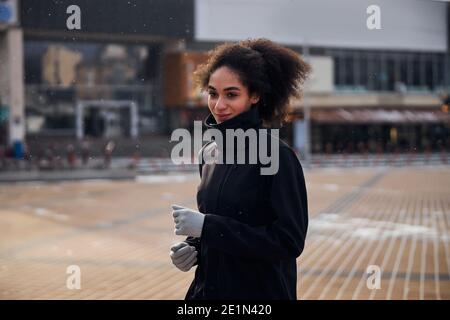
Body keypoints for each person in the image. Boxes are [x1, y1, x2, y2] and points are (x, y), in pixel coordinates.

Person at [170, 38, 310, 300]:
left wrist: (207, 227)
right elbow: (220, 223)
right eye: (213, 93)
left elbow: (287, 241)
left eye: (231, 94)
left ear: (255, 95)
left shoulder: (277, 156)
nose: (219, 105)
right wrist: (194, 248)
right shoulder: (208, 155)